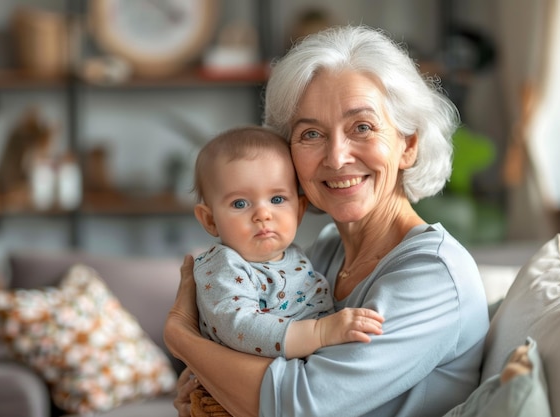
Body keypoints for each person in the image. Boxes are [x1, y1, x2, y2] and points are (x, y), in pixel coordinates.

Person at [164, 25, 489, 417]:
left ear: (408, 144)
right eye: (311, 133)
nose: (336, 158)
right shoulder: (326, 250)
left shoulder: (433, 275)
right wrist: (210, 381)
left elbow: (298, 405)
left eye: (363, 127)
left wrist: (182, 339)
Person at [191, 126, 384, 360]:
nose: (263, 214)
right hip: (239, 387)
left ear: (299, 211)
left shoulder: (296, 255)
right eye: (240, 204)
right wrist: (321, 332)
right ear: (210, 220)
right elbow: (239, 326)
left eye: (277, 199)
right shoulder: (224, 266)